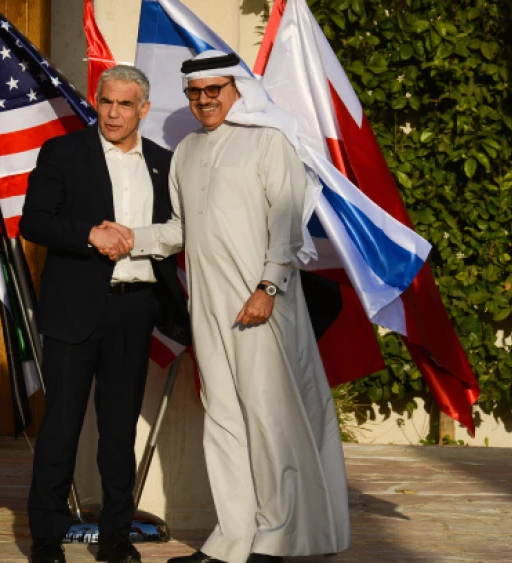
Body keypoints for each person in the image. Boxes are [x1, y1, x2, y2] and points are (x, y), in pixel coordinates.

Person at [104, 51, 350, 563]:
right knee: (223, 422)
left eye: (214, 89)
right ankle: (233, 541)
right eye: (195, 93)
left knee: (269, 422)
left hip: (265, 306)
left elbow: (286, 230)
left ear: (236, 89)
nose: (204, 100)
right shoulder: (187, 152)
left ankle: (276, 538)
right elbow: (179, 231)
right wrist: (129, 238)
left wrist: (269, 289)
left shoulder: (268, 142)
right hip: (209, 310)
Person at [19, 65, 190, 563]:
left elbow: (179, 230)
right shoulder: (63, 152)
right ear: (97, 101)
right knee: (62, 426)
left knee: (118, 431)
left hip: (134, 311)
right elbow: (35, 221)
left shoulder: (164, 162)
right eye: (106, 102)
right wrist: (89, 234)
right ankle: (47, 536)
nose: (113, 113)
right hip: (73, 309)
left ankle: (116, 535)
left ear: (143, 109)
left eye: (124, 104)